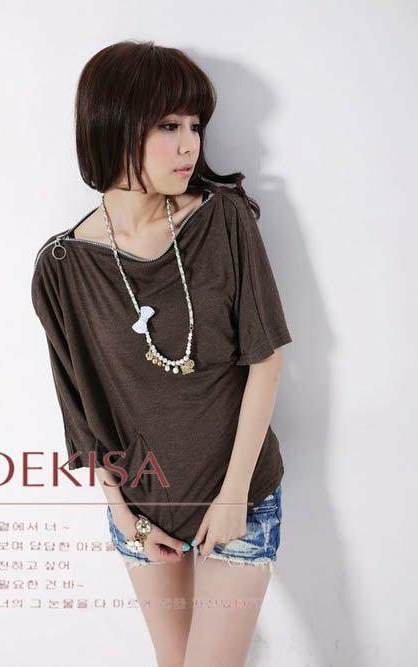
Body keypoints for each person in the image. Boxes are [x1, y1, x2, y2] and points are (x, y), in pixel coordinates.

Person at [31, 40, 292, 667]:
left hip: (239, 497)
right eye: (168, 126)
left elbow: (265, 359)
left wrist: (233, 497)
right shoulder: (62, 268)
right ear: (114, 128)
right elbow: (81, 412)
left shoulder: (223, 220)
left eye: (195, 126)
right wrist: (125, 517)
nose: (189, 145)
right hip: (143, 511)